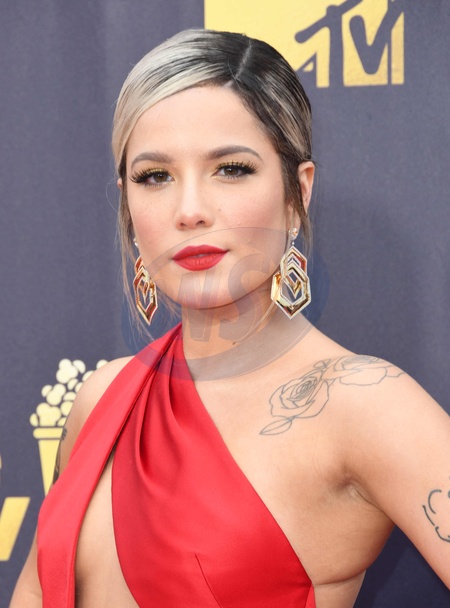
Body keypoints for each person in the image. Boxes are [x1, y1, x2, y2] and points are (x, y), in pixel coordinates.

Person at [10, 28, 450, 608]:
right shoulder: (101, 397)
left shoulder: (362, 405)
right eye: (155, 176)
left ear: (296, 193)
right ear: (128, 205)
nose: (190, 210)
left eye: (232, 169)